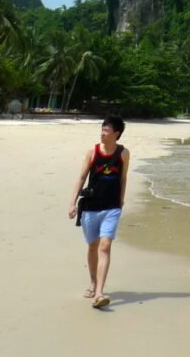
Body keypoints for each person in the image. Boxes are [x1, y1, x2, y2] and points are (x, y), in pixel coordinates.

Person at [68, 115, 130, 309]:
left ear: (116, 134)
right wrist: (73, 202)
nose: (102, 133)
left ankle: (99, 293)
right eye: (102, 129)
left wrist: (120, 201)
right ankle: (93, 281)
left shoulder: (123, 153)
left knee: (105, 246)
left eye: (106, 130)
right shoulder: (93, 152)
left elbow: (123, 179)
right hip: (90, 207)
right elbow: (81, 178)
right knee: (93, 246)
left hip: (111, 207)